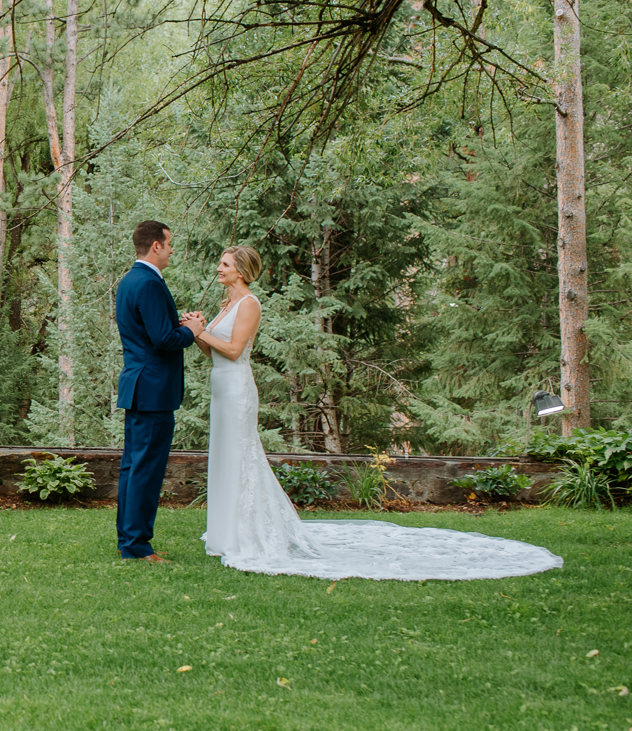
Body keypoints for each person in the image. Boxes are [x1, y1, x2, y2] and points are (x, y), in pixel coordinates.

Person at [194, 244, 562, 580]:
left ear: (241, 269)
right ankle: (226, 533)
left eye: (224, 264)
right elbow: (212, 352)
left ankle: (246, 534)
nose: (218, 268)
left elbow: (234, 349)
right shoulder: (225, 305)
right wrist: (196, 332)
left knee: (241, 457)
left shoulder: (249, 304)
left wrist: (200, 330)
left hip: (238, 389)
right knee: (224, 457)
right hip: (220, 388)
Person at [114, 221, 205, 561]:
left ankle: (130, 540)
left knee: (134, 467)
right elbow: (163, 341)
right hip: (152, 389)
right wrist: (192, 331)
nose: (170, 250)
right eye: (168, 244)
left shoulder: (129, 281)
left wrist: (178, 325)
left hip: (139, 385)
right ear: (155, 246)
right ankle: (136, 546)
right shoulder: (150, 283)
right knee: (146, 469)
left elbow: (150, 331)